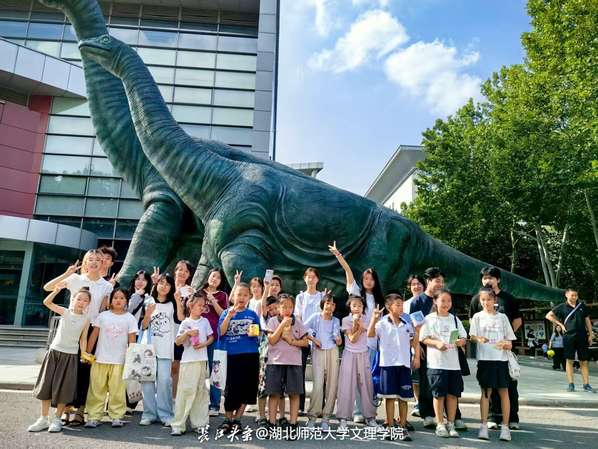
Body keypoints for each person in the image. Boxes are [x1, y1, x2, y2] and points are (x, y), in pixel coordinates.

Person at [43, 250, 113, 426]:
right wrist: (67, 273)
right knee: (68, 371)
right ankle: (65, 411)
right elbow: (48, 288)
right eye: (90, 259)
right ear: (85, 262)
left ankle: (80, 411)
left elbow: (103, 311)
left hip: (91, 330)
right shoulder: (75, 279)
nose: (94, 262)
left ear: (103, 263)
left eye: (98, 260)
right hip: (71, 328)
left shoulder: (106, 286)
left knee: (85, 371)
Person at [329, 241, 384, 424]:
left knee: (367, 381)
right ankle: (356, 411)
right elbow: (348, 272)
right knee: (352, 379)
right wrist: (338, 255)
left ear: (375, 281)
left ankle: (368, 412)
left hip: (372, 344)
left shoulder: (379, 299)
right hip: (355, 344)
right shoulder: (357, 294)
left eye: (371, 278)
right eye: (366, 278)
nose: (368, 281)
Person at [28, 284, 90, 433]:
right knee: (47, 385)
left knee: (64, 388)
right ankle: (43, 419)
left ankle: (57, 419)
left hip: (71, 356)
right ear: (73, 299)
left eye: (85, 300)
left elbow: (83, 338)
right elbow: (47, 302)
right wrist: (56, 291)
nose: (81, 302)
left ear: (88, 304)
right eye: (79, 299)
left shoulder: (86, 319)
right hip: (54, 352)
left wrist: (84, 354)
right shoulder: (65, 312)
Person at [469, 266, 523, 430]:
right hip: (486, 354)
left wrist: (506, 337)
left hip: (505, 350)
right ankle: (492, 416)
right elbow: (473, 323)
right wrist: (480, 338)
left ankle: (512, 418)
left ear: (498, 279)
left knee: (509, 386)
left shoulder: (508, 298)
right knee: (488, 387)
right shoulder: (476, 299)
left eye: (491, 277)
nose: (488, 280)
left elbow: (517, 320)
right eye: (485, 278)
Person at [84, 288, 138, 428]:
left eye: (122, 298)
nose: (118, 300)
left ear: (126, 301)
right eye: (115, 298)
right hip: (100, 359)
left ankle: (117, 416)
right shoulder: (103, 316)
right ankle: (94, 416)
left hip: (119, 361)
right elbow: (94, 335)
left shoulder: (130, 318)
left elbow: (132, 340)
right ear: (111, 300)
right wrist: (87, 353)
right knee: (96, 389)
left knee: (117, 391)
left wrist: (131, 359)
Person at [368, 294, 418, 441]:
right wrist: (374, 319)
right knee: (389, 398)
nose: (401, 307)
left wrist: (418, 330)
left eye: (401, 304)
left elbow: (413, 342)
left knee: (404, 398)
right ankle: (390, 428)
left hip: (404, 365)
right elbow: (370, 334)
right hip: (388, 365)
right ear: (389, 307)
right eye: (397, 304)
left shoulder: (406, 324)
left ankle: (402, 428)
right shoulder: (382, 323)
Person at [419, 290, 467, 438]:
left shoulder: (454, 319)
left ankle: (451, 424)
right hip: (436, 363)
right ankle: (440, 424)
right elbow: (423, 338)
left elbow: (464, 337)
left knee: (453, 395)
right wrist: (436, 343)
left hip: (453, 364)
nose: (446, 304)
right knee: (439, 395)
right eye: (443, 301)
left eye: (449, 301)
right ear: (435, 301)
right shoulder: (429, 318)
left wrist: (461, 342)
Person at [139, 273, 184, 426]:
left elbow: (180, 319)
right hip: (148, 349)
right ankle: (149, 414)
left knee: (165, 380)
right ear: (156, 285)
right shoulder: (148, 301)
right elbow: (143, 326)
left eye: (168, 284)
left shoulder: (172, 304)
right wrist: (148, 314)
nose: (164, 286)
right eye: (161, 283)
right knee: (147, 382)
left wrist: (178, 300)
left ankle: (166, 414)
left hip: (166, 349)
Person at [217, 282, 261, 434]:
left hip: (250, 355)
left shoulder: (252, 314)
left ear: (249, 297)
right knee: (230, 389)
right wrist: (229, 317)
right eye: (239, 294)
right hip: (231, 356)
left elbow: (257, 333)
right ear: (233, 296)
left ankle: (237, 419)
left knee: (246, 389)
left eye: (245, 295)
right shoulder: (226, 313)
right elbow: (221, 332)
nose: (241, 297)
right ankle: (227, 419)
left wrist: (254, 332)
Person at [265, 294, 310, 437]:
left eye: (290, 307)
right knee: (274, 394)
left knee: (294, 394)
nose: (287, 309)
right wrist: (282, 325)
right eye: (284, 306)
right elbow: (272, 340)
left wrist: (291, 341)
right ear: (278, 307)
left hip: (294, 363)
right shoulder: (272, 321)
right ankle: (272, 424)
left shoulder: (298, 322)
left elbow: (305, 342)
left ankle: (293, 424)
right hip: (275, 362)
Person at [170, 291, 214, 435]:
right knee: (185, 391)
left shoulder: (205, 321)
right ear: (191, 305)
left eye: (203, 305)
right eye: (199, 305)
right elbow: (178, 342)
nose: (202, 308)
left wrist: (203, 345)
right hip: (188, 361)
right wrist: (187, 333)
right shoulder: (186, 322)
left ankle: (200, 423)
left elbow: (211, 337)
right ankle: (178, 424)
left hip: (201, 360)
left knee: (200, 392)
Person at [336, 295, 378, 431]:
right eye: (354, 305)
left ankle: (370, 417)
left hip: (364, 353)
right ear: (349, 307)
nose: (357, 308)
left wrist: (372, 320)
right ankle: (343, 419)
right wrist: (358, 326)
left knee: (366, 385)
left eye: (360, 305)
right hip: (349, 354)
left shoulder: (367, 318)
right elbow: (352, 339)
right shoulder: (345, 320)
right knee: (346, 386)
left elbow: (371, 334)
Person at [304, 292, 342, 431]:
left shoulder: (336, 320)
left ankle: (326, 419)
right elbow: (302, 329)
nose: (330, 306)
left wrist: (339, 340)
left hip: (332, 351)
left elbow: (338, 338)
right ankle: (312, 418)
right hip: (318, 351)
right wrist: (314, 340)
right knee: (318, 385)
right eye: (327, 303)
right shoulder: (315, 317)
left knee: (332, 386)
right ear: (322, 304)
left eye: (332, 304)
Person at [545, 289, 594, 392]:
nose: (574, 297)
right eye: (572, 295)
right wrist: (560, 324)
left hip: (582, 336)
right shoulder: (562, 306)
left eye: (576, 295)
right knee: (569, 360)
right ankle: (571, 384)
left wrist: (590, 334)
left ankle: (586, 384)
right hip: (568, 337)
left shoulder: (582, 306)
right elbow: (548, 315)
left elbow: (587, 320)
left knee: (584, 361)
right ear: (566, 295)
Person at [294, 267, 324, 414]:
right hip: (304, 338)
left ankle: (319, 406)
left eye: (313, 277)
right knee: (300, 372)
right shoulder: (300, 297)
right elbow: (298, 318)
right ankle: (300, 406)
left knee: (320, 373)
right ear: (304, 278)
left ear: (317, 279)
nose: (311, 279)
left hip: (319, 338)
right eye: (308, 277)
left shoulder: (322, 296)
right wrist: (305, 334)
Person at [201, 268, 229, 416]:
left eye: (218, 277)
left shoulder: (222, 295)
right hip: (199, 337)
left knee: (215, 370)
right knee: (198, 370)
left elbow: (223, 315)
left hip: (215, 337)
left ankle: (215, 404)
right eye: (213, 276)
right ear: (208, 277)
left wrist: (213, 301)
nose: (215, 279)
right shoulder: (199, 292)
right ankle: (198, 403)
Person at [255, 295, 280, 426]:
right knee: (262, 387)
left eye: (276, 308)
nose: (273, 311)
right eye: (270, 309)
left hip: (279, 357)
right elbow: (263, 305)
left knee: (277, 389)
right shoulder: (265, 319)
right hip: (265, 356)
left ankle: (275, 416)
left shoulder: (283, 320)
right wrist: (266, 287)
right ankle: (261, 415)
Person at [404, 274, 425, 418]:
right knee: (415, 377)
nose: (416, 286)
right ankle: (418, 402)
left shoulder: (431, 301)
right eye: (413, 284)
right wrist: (415, 346)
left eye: (419, 284)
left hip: (431, 343)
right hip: (413, 343)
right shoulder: (406, 304)